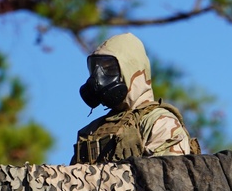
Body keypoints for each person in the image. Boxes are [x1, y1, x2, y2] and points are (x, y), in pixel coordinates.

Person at [71, 32, 198, 164]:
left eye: (109, 69)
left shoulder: (160, 123)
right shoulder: (91, 130)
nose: (97, 79)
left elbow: (168, 179)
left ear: (131, 70)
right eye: (95, 69)